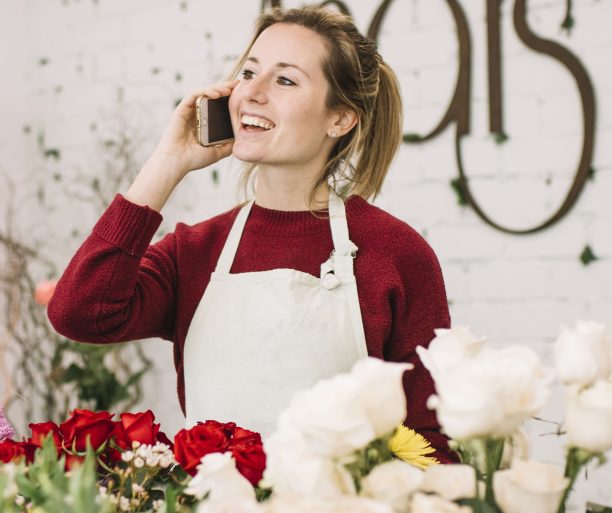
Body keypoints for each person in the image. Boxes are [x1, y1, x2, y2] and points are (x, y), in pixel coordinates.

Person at [48, 4, 455, 461]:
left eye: (284, 80)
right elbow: (78, 313)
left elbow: (431, 441)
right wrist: (168, 162)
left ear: (340, 118)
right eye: (248, 72)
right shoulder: (195, 251)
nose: (252, 93)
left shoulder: (395, 252)